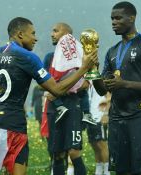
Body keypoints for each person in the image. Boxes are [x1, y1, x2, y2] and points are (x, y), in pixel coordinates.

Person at [0, 17, 97, 175]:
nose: (36, 38)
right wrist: (84, 69)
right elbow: (56, 90)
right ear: (20, 34)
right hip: (12, 123)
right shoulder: (27, 57)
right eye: (32, 33)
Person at [93, 2, 141, 174]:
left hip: (140, 116)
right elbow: (102, 89)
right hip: (117, 119)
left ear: (132, 18)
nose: (113, 22)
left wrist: (124, 84)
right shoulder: (111, 52)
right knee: (120, 171)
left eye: (118, 18)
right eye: (112, 19)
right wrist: (91, 70)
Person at [43, 22, 91, 175]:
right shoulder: (49, 58)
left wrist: (59, 89)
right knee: (57, 154)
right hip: (54, 108)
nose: (52, 33)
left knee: (74, 152)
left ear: (66, 34)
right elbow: (43, 83)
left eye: (55, 31)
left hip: (72, 106)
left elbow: (85, 84)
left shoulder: (80, 57)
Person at [87, 85, 111, 175]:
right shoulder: (87, 81)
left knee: (102, 145)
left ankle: (107, 171)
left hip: (99, 117)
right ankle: (99, 170)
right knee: (95, 145)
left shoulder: (99, 81)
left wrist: (105, 114)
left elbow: (109, 97)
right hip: (90, 118)